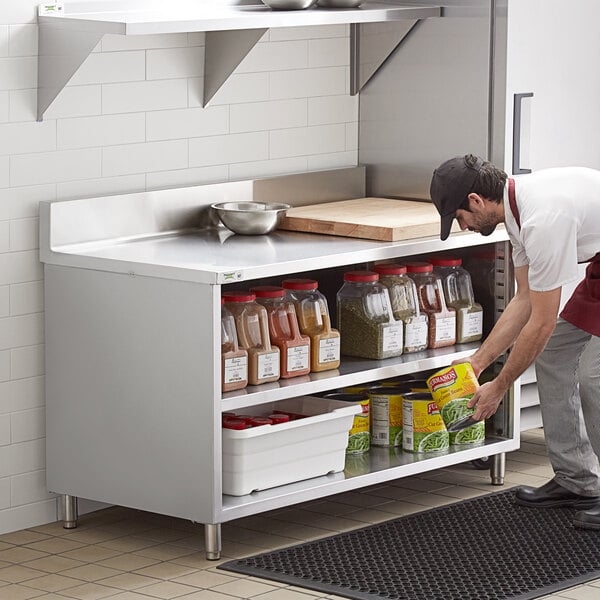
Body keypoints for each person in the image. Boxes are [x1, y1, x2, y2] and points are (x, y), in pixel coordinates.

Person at [429, 154, 600, 529]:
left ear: (475, 200)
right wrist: (476, 363)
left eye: (460, 218)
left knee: (593, 377)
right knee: (555, 355)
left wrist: (500, 386)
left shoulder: (543, 219)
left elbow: (539, 323)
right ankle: (578, 482)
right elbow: (524, 300)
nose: (464, 226)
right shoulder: (518, 214)